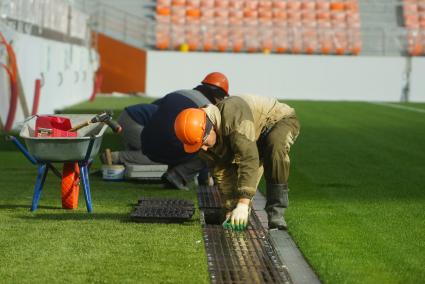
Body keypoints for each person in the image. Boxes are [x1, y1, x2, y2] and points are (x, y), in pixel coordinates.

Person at [174, 95, 300, 230]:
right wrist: (230, 207)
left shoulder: (233, 115)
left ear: (210, 128)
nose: (203, 149)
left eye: (203, 143)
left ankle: (276, 213)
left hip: (278, 121)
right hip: (251, 134)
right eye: (198, 146)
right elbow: (222, 173)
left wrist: (243, 204)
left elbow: (248, 159)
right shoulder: (200, 137)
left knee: (275, 148)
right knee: (233, 206)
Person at [104, 72, 230, 190]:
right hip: (164, 145)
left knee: (155, 151)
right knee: (205, 149)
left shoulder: (180, 93)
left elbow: (154, 109)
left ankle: (121, 158)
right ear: (218, 97)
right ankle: (177, 176)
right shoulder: (208, 110)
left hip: (146, 135)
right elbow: (205, 143)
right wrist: (204, 180)